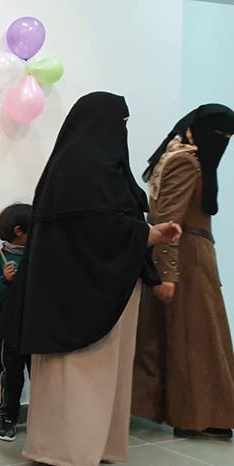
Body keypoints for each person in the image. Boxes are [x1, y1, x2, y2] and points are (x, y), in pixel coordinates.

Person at [4, 92, 182, 466]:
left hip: (103, 286)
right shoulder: (84, 170)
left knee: (100, 371)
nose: (123, 132)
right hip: (83, 290)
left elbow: (111, 221)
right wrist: (148, 234)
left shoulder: (76, 168)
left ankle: (96, 446)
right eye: (121, 124)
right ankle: (67, 449)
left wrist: (146, 238)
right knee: (81, 369)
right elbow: (99, 226)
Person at [133, 104, 234, 439]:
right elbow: (168, 221)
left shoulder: (184, 157)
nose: (224, 141)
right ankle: (196, 417)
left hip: (194, 256)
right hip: (186, 258)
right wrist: (168, 273)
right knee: (194, 338)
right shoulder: (185, 161)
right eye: (220, 134)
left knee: (191, 336)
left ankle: (196, 414)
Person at [0, 203, 32, 442]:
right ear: (19, 231)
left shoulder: (38, 255)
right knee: (11, 377)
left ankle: (45, 418)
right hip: (11, 329)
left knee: (44, 377)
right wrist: (5, 280)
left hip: (38, 328)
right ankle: (8, 419)